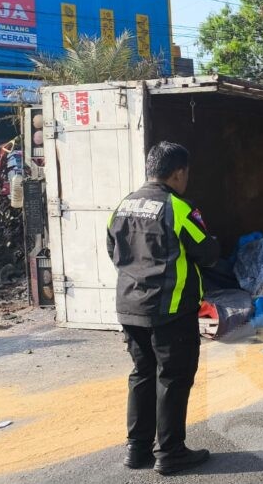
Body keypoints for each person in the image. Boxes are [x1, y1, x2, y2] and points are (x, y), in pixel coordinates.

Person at [107, 141, 219, 475]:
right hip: (169, 310)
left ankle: (137, 450)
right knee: (173, 377)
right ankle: (170, 453)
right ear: (179, 172)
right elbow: (207, 253)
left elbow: (113, 250)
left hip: (130, 307)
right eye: (187, 174)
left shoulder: (122, 206)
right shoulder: (177, 208)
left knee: (142, 374)